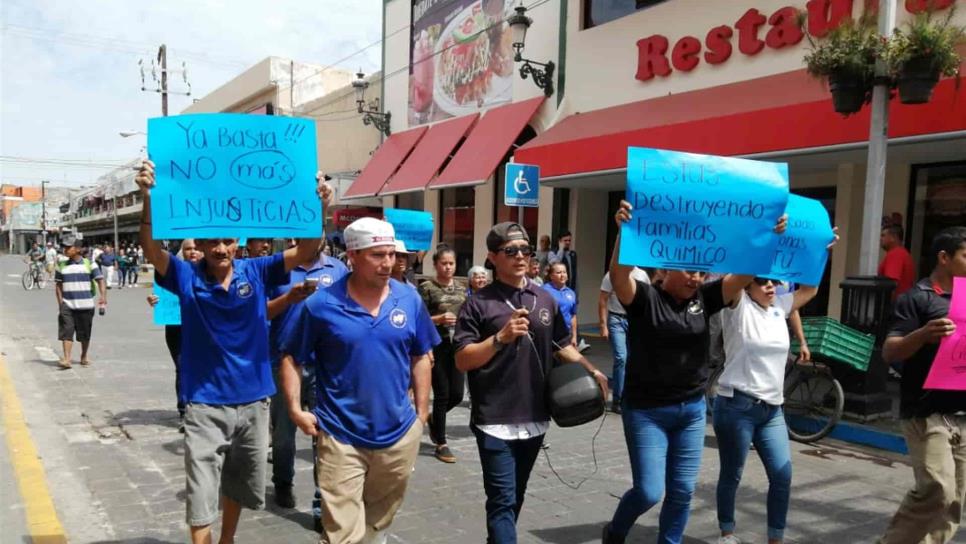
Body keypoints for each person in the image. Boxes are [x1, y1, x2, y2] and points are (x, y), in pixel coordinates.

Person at [134, 159, 323, 544]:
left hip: (254, 402)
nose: (221, 248)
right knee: (202, 490)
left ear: (237, 242)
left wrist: (320, 204)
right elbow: (152, 250)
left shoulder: (258, 269)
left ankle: (227, 540)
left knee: (239, 484)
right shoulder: (186, 275)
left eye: (228, 240)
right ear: (200, 245)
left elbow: (306, 250)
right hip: (204, 404)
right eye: (213, 242)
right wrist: (147, 197)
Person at [602, 200, 786, 544]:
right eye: (689, 271)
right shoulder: (645, 298)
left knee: (683, 490)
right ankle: (615, 532)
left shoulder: (706, 297)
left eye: (701, 272)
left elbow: (744, 274)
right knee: (649, 490)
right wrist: (625, 231)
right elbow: (618, 276)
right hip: (647, 412)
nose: (696, 278)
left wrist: (768, 238)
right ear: (665, 269)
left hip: (691, 411)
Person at [279, 217, 438, 544]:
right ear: (352, 256)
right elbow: (291, 357)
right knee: (343, 535)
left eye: (390, 254)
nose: (388, 263)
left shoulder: (409, 300)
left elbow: (421, 355)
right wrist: (295, 409)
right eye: (377, 255)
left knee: (377, 524)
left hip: (397, 435)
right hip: (341, 436)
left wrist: (421, 415)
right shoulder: (321, 304)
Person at [455, 222, 608, 544]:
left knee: (515, 497)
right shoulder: (478, 303)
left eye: (525, 249)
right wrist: (500, 338)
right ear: (493, 257)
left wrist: (590, 370)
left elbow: (562, 345)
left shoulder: (544, 299)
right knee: (502, 501)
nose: (520, 256)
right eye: (511, 251)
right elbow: (462, 359)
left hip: (536, 415)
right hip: (494, 418)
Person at [714, 265, 834, 544]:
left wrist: (818, 254)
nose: (770, 286)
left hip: (772, 410)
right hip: (737, 406)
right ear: (747, 285)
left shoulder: (780, 305)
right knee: (732, 474)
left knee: (782, 475)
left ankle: (775, 538)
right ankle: (727, 533)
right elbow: (733, 281)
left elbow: (811, 289)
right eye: (762, 281)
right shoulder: (736, 305)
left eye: (773, 281)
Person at [879, 227, 966, 544]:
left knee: (954, 503)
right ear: (944, 258)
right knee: (937, 490)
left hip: (962, 413)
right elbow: (890, 351)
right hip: (925, 411)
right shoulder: (916, 298)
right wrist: (924, 334)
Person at [266, 235, 348, 518]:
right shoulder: (279, 268)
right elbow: (260, 312)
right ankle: (283, 481)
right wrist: (289, 299)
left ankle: (321, 497)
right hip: (285, 361)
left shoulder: (338, 270)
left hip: (325, 364)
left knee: (325, 433)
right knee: (285, 431)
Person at [147, 239, 204, 430]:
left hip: (204, 329)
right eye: (188, 249)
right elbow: (162, 292)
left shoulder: (215, 272)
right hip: (177, 328)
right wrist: (155, 300)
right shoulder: (172, 272)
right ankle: (184, 411)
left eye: (196, 248)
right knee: (182, 368)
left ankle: (202, 409)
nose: (193, 252)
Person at [418, 245, 468, 463]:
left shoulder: (462, 287)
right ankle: (441, 442)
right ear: (436, 264)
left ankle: (434, 420)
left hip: (456, 345)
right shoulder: (427, 287)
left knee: (457, 394)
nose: (448, 267)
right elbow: (418, 319)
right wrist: (438, 319)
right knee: (442, 393)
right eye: (444, 263)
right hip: (436, 345)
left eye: (451, 263)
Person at [599, 268, 651, 414]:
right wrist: (603, 325)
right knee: (621, 357)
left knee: (635, 358)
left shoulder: (642, 275)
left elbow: (649, 299)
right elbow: (603, 299)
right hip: (616, 319)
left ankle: (633, 395)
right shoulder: (612, 275)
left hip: (636, 320)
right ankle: (618, 400)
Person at [54, 238, 107, 369]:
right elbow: (58, 286)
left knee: (84, 334)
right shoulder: (61, 265)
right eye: (64, 248)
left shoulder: (90, 264)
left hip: (86, 305)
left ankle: (83, 356)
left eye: (68, 247)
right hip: (68, 305)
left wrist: (103, 297)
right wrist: (61, 304)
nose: (65, 250)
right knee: (67, 331)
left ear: (78, 249)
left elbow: (100, 281)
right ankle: (67, 359)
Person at [543, 262, 579, 348]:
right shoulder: (544, 290)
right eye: (558, 272)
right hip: (550, 334)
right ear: (551, 276)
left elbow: (573, 315)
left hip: (566, 334)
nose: (562, 275)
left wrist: (574, 336)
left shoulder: (571, 293)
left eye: (564, 272)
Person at [879, 223, 916, 298]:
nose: (881, 239)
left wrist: (887, 305)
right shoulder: (902, 253)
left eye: (883, 235)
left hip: (895, 304)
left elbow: (891, 283)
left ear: (893, 237)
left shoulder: (896, 254)